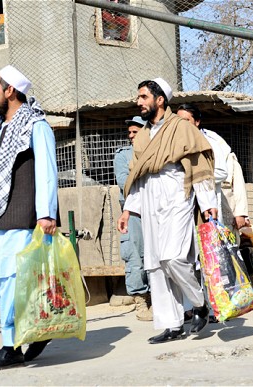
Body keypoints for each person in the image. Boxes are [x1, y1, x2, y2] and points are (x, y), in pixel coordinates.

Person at [0, 65, 58, 370]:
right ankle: (36, 329)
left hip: (19, 214)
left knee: (13, 279)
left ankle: (11, 347)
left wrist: (46, 214)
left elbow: (47, 171)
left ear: (10, 91)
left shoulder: (35, 125)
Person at [117, 77, 218, 344]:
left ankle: (199, 304)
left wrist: (208, 205)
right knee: (156, 266)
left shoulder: (182, 129)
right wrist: (128, 210)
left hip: (176, 199)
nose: (139, 102)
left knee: (173, 258)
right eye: (138, 98)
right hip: (149, 201)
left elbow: (199, 168)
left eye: (143, 97)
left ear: (159, 100)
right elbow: (138, 175)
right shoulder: (143, 136)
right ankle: (171, 325)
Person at [176, 103, 250, 232]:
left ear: (197, 122)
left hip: (210, 203)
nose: (182, 125)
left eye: (186, 120)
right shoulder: (176, 143)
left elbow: (223, 173)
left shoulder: (211, 142)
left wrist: (197, 178)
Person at [114, 115, 151, 321]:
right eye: (129, 132)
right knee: (135, 257)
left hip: (156, 211)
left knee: (155, 257)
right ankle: (140, 301)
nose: (130, 136)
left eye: (135, 132)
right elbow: (124, 182)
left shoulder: (156, 150)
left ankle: (157, 299)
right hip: (133, 211)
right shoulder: (124, 155)